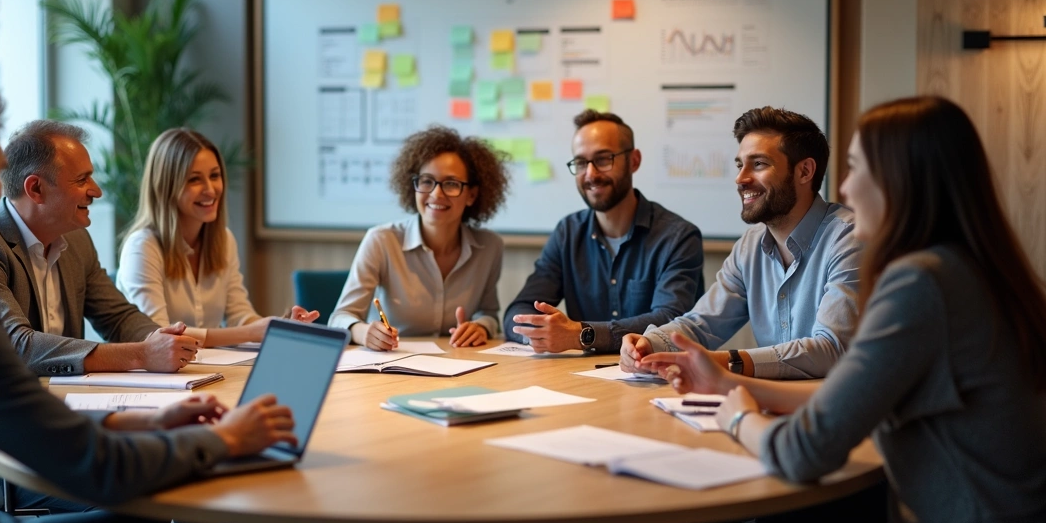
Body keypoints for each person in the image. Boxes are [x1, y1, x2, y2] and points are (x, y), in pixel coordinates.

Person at [0, 71, 297, 523]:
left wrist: (147, 420)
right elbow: (95, 467)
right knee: (149, 516)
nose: (5, 188)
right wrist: (224, 439)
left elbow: (28, 409)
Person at [641, 96, 1046, 523]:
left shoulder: (921, 285)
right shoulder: (965, 270)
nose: (845, 188)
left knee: (681, 520)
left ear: (902, 180)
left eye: (856, 168)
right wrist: (729, 386)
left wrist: (737, 417)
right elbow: (852, 397)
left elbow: (804, 451)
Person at [621, 107, 860, 379]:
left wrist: (728, 362)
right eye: (739, 164)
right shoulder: (750, 246)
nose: (740, 178)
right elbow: (701, 324)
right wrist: (648, 344)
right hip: (773, 402)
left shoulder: (849, 238)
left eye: (758, 164)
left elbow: (831, 350)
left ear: (804, 171)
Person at [0, 119, 200, 376]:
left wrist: (159, 338)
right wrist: (142, 354)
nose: (96, 191)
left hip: (66, 399)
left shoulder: (77, 240)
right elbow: (16, 346)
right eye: (82, 179)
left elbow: (117, 317)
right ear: (36, 189)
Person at [504, 110, 704, 354]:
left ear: (634, 161)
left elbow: (670, 322)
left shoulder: (678, 237)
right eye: (580, 163)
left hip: (657, 379)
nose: (590, 174)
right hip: (582, 381)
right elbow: (519, 310)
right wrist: (539, 334)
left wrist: (581, 335)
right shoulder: (568, 233)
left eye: (603, 159)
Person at [117, 128, 318, 347]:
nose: (210, 189)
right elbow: (159, 335)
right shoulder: (142, 247)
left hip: (206, 370)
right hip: (150, 378)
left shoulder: (224, 240)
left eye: (215, 176)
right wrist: (251, 332)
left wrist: (280, 328)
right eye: (194, 179)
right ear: (166, 187)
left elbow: (240, 315)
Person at [329, 125, 510, 349]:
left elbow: (489, 312)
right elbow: (340, 318)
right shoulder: (382, 240)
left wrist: (481, 326)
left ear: (471, 195)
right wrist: (364, 332)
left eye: (451, 184)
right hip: (394, 365)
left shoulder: (490, 247)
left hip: (460, 363)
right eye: (426, 181)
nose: (436, 194)